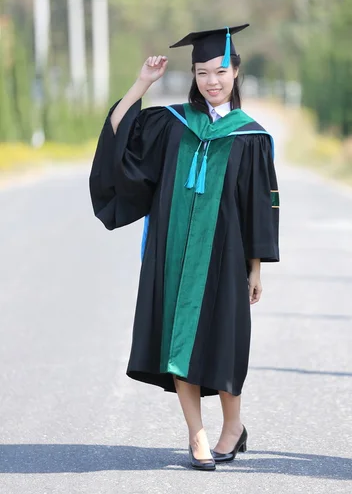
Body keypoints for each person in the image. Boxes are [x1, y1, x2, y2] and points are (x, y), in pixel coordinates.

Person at [89, 24, 280, 471]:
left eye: (218, 71)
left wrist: (256, 266)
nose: (210, 81)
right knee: (178, 338)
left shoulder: (250, 137)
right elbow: (119, 137)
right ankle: (196, 435)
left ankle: (232, 427)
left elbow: (260, 205)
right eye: (201, 72)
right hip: (172, 252)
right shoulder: (171, 123)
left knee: (226, 341)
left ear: (235, 71)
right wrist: (142, 84)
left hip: (226, 255)